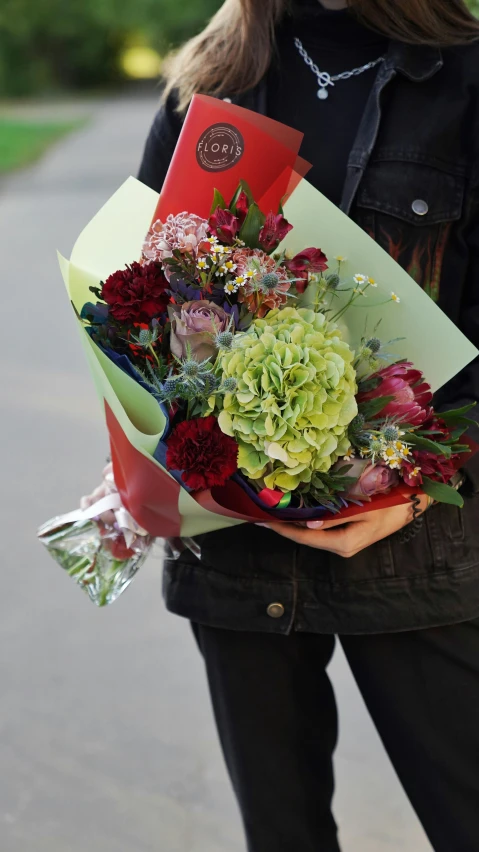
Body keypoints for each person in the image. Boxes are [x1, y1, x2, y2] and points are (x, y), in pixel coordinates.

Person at [88, 1, 479, 849]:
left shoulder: (464, 78)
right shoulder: (210, 83)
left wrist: (420, 490)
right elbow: (133, 300)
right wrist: (143, 461)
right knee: (283, 834)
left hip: (411, 546)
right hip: (235, 547)